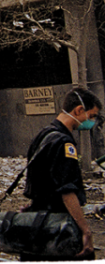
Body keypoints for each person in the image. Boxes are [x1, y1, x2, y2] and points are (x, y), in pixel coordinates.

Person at [23, 86, 102, 260]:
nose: (92, 122)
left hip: (36, 222)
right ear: (79, 110)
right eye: (92, 116)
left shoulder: (43, 136)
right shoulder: (64, 142)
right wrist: (85, 231)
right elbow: (67, 191)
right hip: (57, 227)